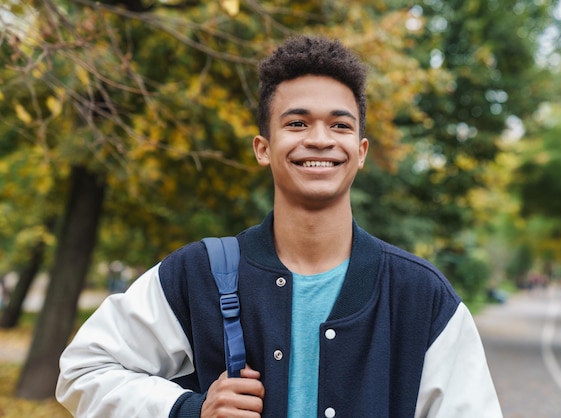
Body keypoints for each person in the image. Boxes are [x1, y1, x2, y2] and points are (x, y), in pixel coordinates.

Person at [56, 35, 502, 418]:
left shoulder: (420, 296)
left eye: (339, 125)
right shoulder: (199, 274)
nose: (320, 139)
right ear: (263, 148)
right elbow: (83, 370)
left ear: (361, 150)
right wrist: (187, 409)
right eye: (297, 122)